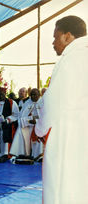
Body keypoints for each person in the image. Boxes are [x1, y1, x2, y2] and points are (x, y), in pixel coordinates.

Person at [35, 16, 88, 203]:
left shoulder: (70, 60)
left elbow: (52, 102)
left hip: (67, 136)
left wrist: (40, 129)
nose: (53, 42)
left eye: (55, 37)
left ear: (67, 36)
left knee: (62, 186)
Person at [10, 88, 44, 160]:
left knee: (40, 132)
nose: (33, 96)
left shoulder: (43, 103)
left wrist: (36, 121)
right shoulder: (27, 103)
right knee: (20, 130)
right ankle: (19, 153)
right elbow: (21, 115)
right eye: (32, 95)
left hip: (38, 124)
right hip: (27, 124)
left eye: (35, 95)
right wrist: (26, 121)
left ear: (39, 95)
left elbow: (44, 116)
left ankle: (38, 155)